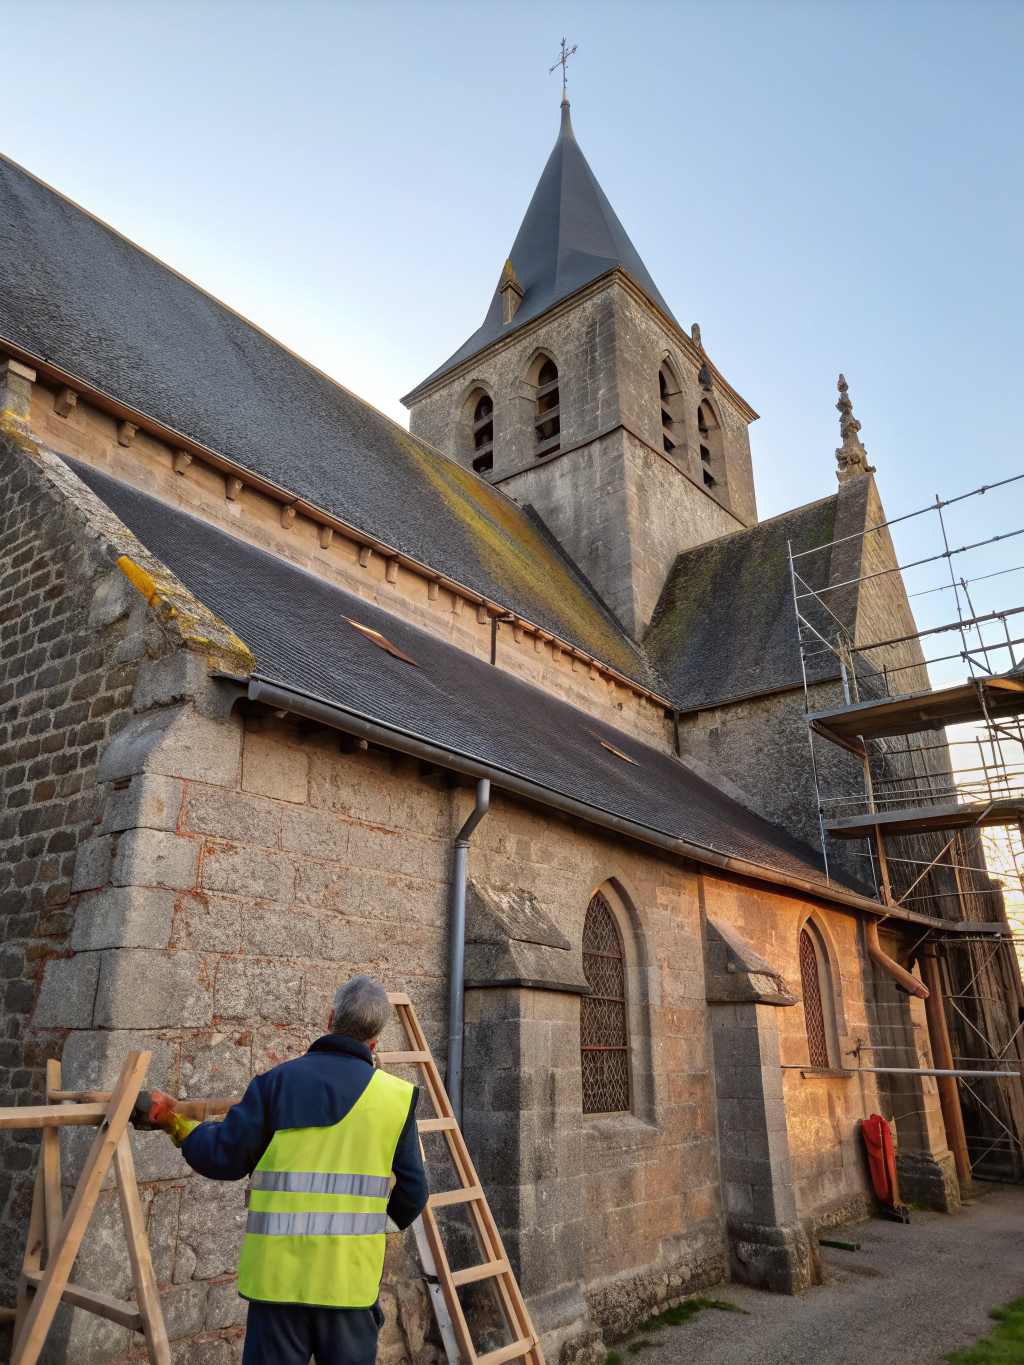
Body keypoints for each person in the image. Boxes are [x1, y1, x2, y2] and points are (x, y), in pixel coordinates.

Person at [148, 974, 429, 1365]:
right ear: (375, 1040)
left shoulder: (275, 1083)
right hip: (349, 1289)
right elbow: (414, 1194)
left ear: (330, 1018)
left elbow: (224, 1156)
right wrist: (367, 1223)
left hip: (277, 1287)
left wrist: (177, 1125)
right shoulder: (397, 1100)